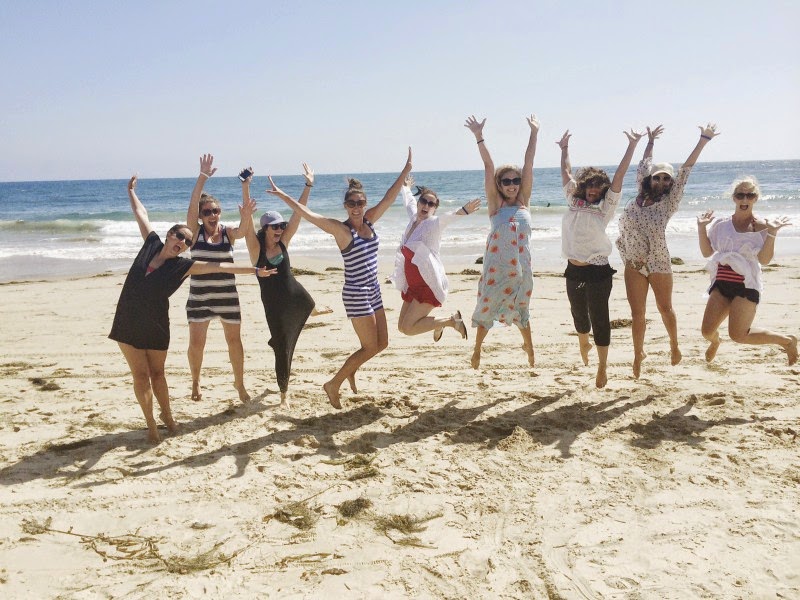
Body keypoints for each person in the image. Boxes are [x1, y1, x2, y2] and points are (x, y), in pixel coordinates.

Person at [110, 175, 276, 444]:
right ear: (170, 234)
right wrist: (132, 192)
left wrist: (255, 269)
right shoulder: (156, 243)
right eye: (179, 237)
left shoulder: (185, 263)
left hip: (172, 316)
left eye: (187, 242)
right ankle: (157, 420)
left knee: (161, 373)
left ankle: (172, 414)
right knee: (146, 373)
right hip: (145, 315)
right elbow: (142, 215)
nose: (183, 243)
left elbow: (223, 262)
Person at [268, 148, 413, 409]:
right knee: (370, 346)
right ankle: (333, 384)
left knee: (382, 343)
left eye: (360, 203)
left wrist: (406, 170)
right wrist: (283, 196)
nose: (356, 208)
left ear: (364, 204)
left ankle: (351, 369)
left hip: (373, 289)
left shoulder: (370, 221)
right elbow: (309, 215)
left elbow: (389, 198)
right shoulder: (341, 230)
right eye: (351, 204)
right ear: (345, 206)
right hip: (356, 292)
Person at [616, 123, 719, 378]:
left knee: (665, 308)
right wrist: (650, 141)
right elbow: (644, 164)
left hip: (658, 262)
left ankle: (674, 345)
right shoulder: (638, 195)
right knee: (637, 313)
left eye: (666, 178)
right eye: (657, 177)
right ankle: (638, 354)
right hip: (633, 262)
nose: (661, 181)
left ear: (671, 183)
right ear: (650, 179)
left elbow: (685, 171)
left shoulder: (669, 202)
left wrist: (703, 140)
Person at [558, 128, 644, 388]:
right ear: (583, 186)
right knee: (578, 314)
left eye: (598, 186)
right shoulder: (573, 200)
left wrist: (632, 146)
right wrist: (564, 149)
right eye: (589, 185)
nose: (593, 189)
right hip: (574, 269)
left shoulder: (606, 207)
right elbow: (566, 172)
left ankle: (602, 366)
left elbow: (619, 176)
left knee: (599, 317)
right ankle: (583, 341)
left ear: (603, 189)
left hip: (597, 270)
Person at [464, 114, 539, 369]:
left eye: (516, 180)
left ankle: (529, 347)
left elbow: (529, 163)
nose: (512, 185)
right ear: (500, 184)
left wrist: (534, 133)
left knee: (521, 309)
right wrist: (479, 136)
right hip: (496, 268)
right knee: (487, 307)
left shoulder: (524, 202)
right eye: (507, 181)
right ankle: (477, 350)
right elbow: (488, 166)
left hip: (522, 268)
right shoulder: (495, 206)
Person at [240, 164, 317, 408]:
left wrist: (308, 185)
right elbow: (247, 224)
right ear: (265, 229)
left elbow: (299, 213)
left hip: (296, 297)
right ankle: (284, 393)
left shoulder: (284, 242)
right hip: (274, 307)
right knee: (282, 347)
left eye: (282, 226)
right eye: (275, 227)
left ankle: (310, 311)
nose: (280, 229)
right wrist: (246, 186)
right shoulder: (256, 251)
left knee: (310, 304)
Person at [697, 177, 797, 365]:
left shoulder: (763, 227)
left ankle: (787, 341)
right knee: (706, 332)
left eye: (750, 195)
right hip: (721, 284)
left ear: (755, 198)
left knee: (738, 335)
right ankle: (716, 342)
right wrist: (701, 228)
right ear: (733, 197)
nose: (744, 199)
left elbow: (764, 260)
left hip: (746, 286)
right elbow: (707, 252)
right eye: (740, 195)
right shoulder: (721, 225)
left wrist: (772, 233)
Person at [185, 154, 250, 404]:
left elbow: (244, 230)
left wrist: (245, 191)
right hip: (200, 297)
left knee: (235, 342)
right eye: (207, 212)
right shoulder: (194, 234)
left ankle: (239, 383)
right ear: (201, 216)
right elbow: (191, 207)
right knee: (196, 345)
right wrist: (202, 177)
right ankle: (195, 380)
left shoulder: (227, 234)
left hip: (227, 297)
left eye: (216, 211)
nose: (213, 215)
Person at [393, 174, 481, 341]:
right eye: (424, 201)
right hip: (413, 285)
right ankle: (439, 323)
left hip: (427, 284)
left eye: (431, 204)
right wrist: (406, 187)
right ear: (419, 203)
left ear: (434, 209)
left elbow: (446, 218)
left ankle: (451, 321)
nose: (426, 205)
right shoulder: (414, 218)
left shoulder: (432, 224)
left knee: (408, 328)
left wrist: (464, 211)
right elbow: (408, 201)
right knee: (401, 327)